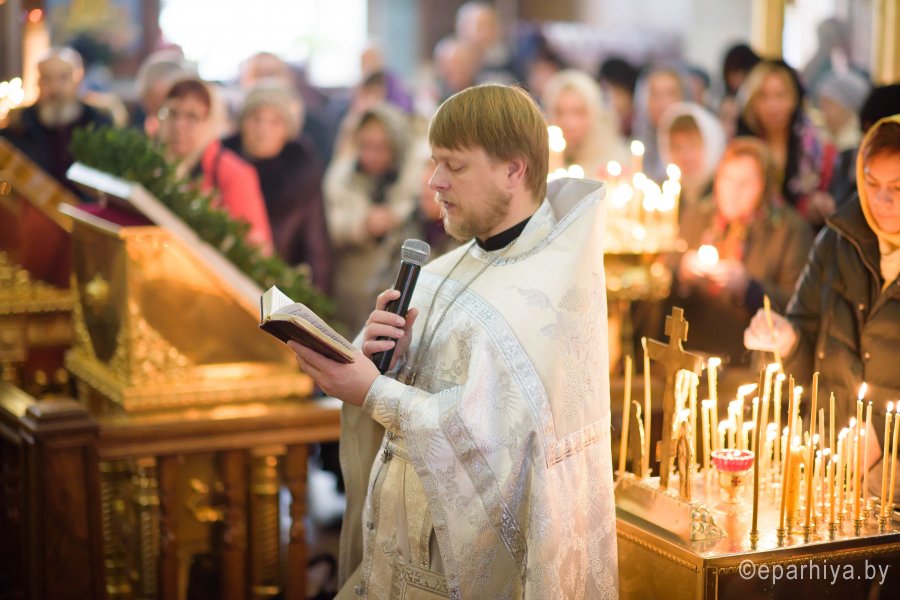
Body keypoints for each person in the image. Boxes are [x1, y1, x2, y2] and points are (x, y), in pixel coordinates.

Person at [290, 84, 618, 598]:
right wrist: (389, 362)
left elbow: (494, 447)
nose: (435, 182)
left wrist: (373, 392)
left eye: (455, 166)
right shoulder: (447, 267)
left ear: (513, 170)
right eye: (434, 162)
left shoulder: (546, 297)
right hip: (400, 559)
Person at [744, 115, 900, 501]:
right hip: (829, 459)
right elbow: (806, 337)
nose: (883, 201)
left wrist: (883, 432)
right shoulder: (835, 242)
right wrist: (787, 340)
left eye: (898, 187)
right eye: (872, 185)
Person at [674, 137, 812, 368]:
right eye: (727, 179)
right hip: (694, 353)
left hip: (752, 362)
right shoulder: (698, 217)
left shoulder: (789, 231)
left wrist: (749, 288)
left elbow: (798, 308)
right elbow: (662, 286)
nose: (733, 191)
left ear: (765, 185)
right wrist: (682, 274)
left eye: (745, 183)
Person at [223, 80, 332, 291]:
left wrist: (315, 299)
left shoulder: (302, 173)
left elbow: (315, 244)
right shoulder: (220, 162)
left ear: (287, 130)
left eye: (275, 122)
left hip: (277, 286)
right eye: (256, 118)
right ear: (242, 122)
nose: (263, 129)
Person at [323, 103, 421, 335]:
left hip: (397, 290)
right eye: (365, 145)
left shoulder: (413, 177)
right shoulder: (342, 175)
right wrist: (362, 225)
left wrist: (395, 217)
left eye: (380, 147)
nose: (370, 155)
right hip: (350, 289)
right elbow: (326, 224)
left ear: (396, 147)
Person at [157, 78, 273, 251]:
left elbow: (256, 251)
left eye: (192, 117)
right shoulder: (156, 165)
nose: (178, 125)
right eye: (172, 114)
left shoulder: (234, 174)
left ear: (212, 122)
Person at [736, 60, 835, 225]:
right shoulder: (742, 148)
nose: (772, 106)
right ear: (752, 101)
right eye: (763, 96)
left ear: (795, 99)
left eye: (781, 95)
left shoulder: (818, 151)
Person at [542, 69, 628, 178]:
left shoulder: (614, 161)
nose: (569, 123)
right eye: (560, 113)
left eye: (578, 112)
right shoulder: (541, 158)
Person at [658, 102, 727, 210]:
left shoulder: (726, 195)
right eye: (677, 147)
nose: (686, 156)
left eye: (693, 145)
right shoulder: (661, 195)